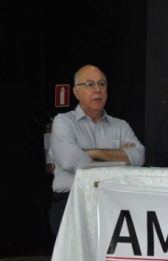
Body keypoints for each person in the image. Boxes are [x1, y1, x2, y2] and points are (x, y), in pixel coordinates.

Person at [49, 65, 145, 236]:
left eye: (102, 84)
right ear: (76, 92)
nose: (97, 90)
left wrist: (94, 153)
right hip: (72, 201)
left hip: (114, 202)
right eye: (90, 84)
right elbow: (72, 161)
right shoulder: (63, 122)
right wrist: (118, 157)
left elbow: (139, 156)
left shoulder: (121, 126)